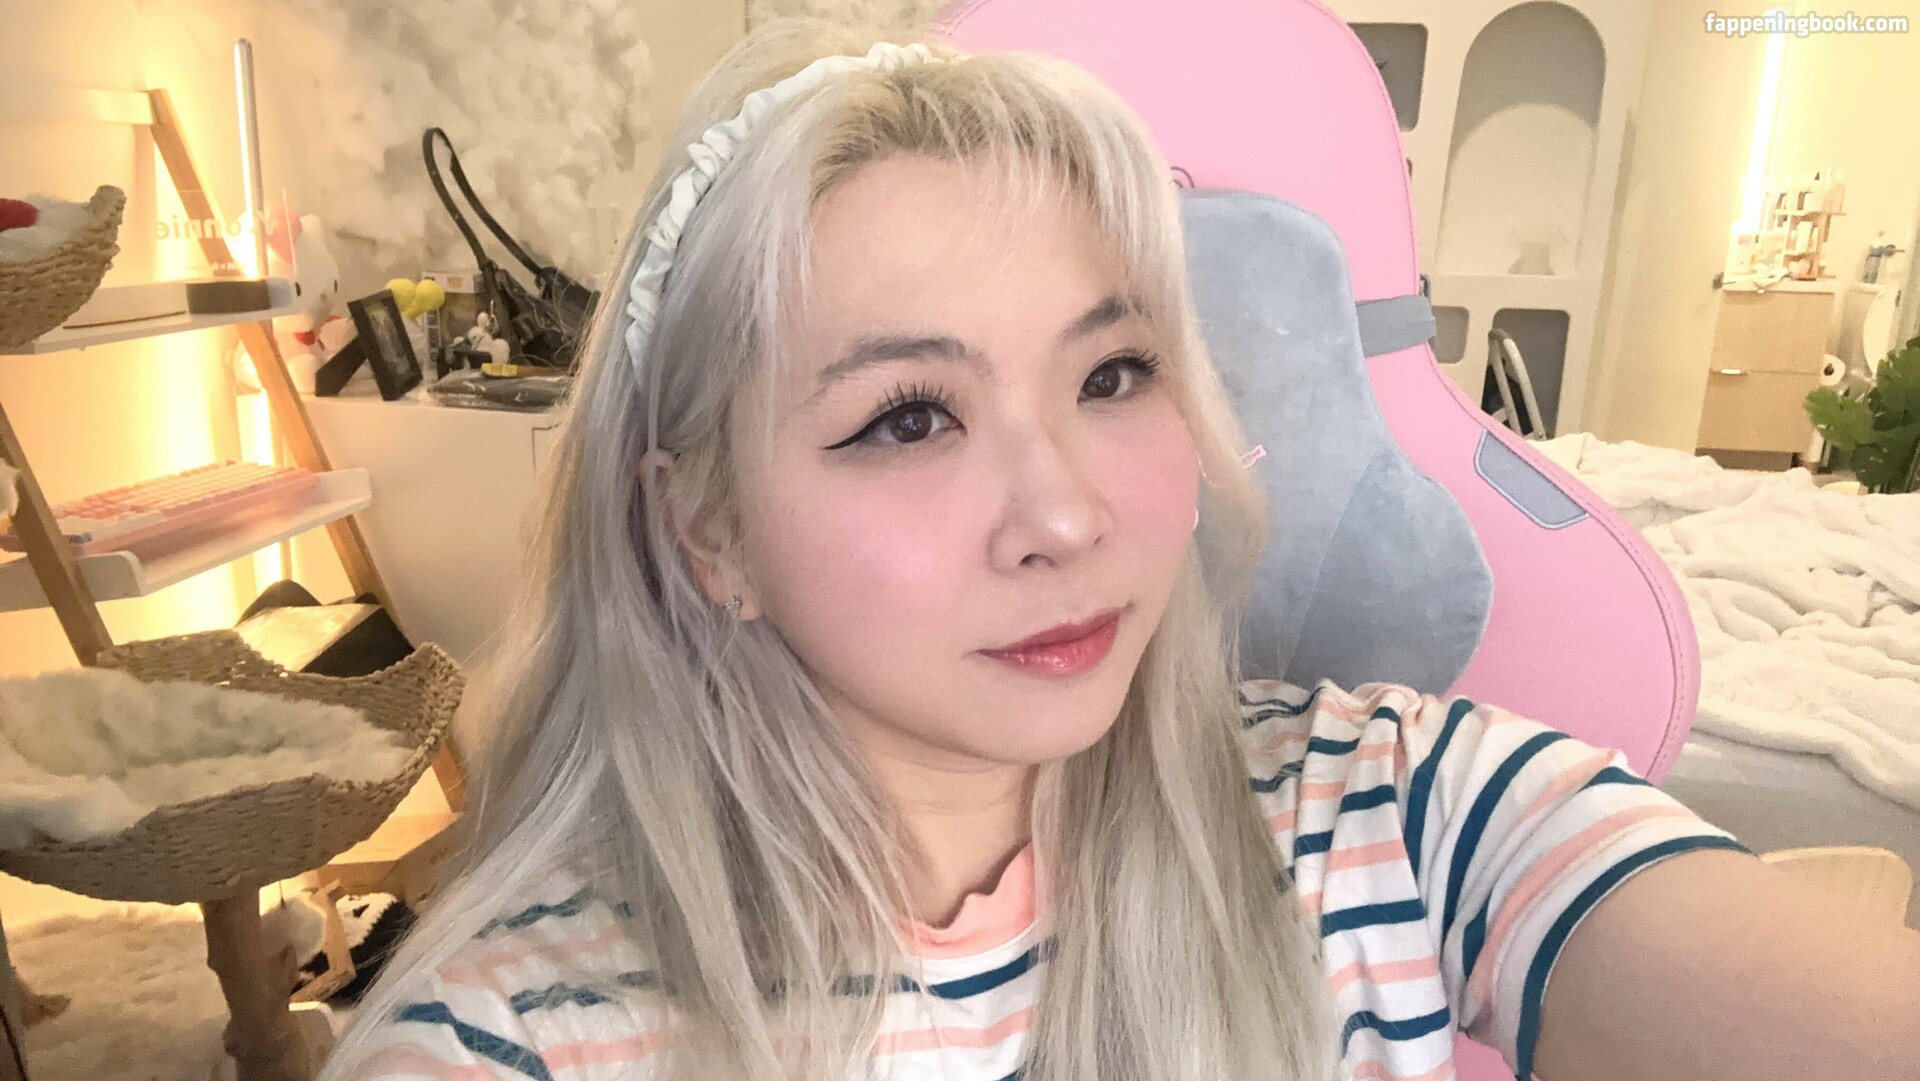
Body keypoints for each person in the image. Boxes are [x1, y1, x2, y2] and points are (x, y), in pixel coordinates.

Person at [320, 20, 1920, 1081]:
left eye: (1113, 374)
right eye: (909, 417)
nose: (1071, 514)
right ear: (707, 529)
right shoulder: (520, 1033)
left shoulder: (1398, 811)